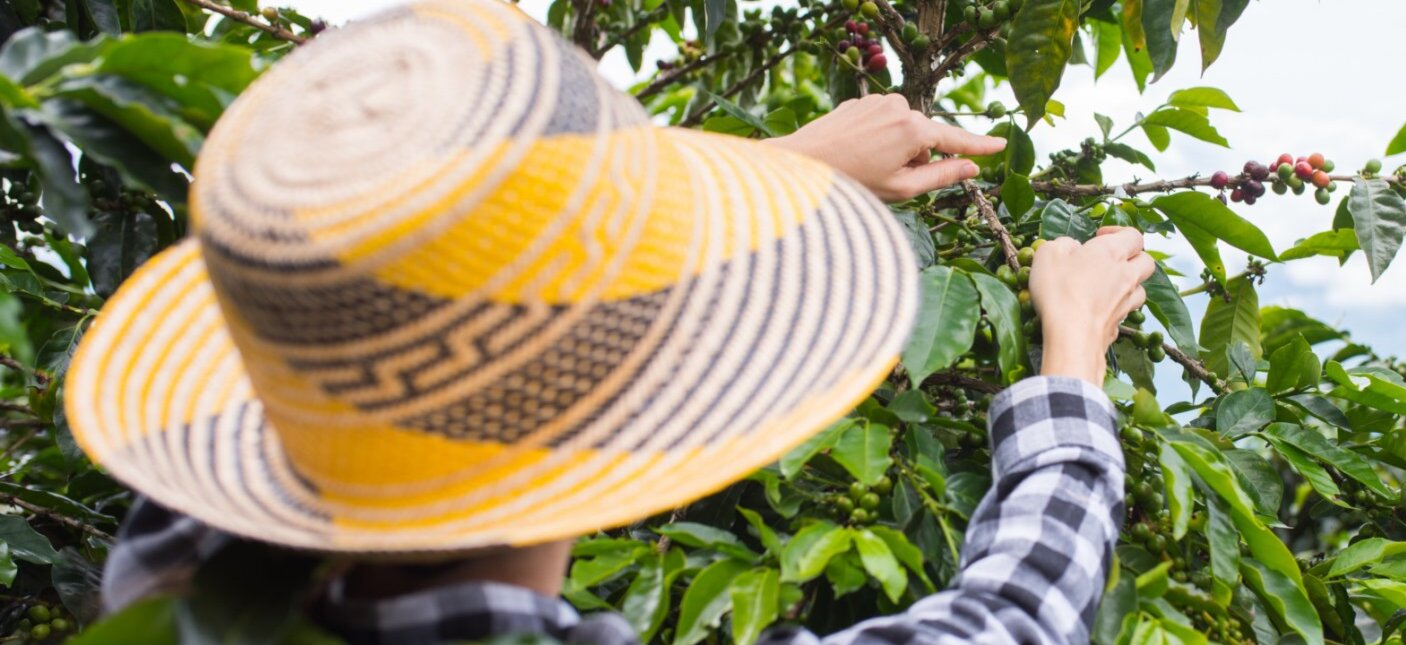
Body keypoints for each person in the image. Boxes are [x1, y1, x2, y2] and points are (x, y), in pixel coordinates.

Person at [73, 1, 1153, 643]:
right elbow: (1006, 619)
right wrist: (1073, 356)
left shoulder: (165, 589)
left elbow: (357, 268)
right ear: (627, 407)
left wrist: (772, 170)